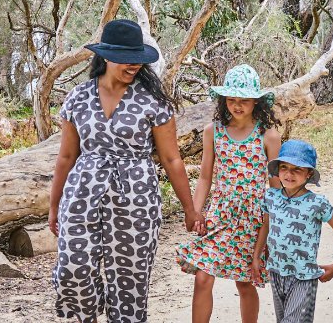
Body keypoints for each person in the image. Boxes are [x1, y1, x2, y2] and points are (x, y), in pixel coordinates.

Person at [49, 19, 204, 323]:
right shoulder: (78, 98)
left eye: (138, 59)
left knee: (129, 283)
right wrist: (54, 206)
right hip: (82, 194)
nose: (134, 65)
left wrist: (190, 209)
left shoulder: (153, 102)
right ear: (105, 56)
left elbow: (172, 159)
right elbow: (67, 156)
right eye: (126, 59)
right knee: (73, 269)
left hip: (137, 197)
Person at [175, 64, 282, 323]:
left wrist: (277, 224)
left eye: (244, 100)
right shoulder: (214, 131)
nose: (237, 105)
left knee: (245, 283)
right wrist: (196, 211)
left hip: (253, 220)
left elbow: (275, 187)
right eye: (231, 100)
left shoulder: (268, 136)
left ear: (256, 102)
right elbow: (204, 177)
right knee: (203, 276)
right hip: (220, 216)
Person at [263, 140, 333, 323]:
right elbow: (266, 226)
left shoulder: (317, 203)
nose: (289, 174)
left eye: (297, 169)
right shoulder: (270, 197)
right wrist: (256, 257)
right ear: (277, 170)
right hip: (276, 272)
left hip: (304, 276)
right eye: (284, 167)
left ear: (309, 174)